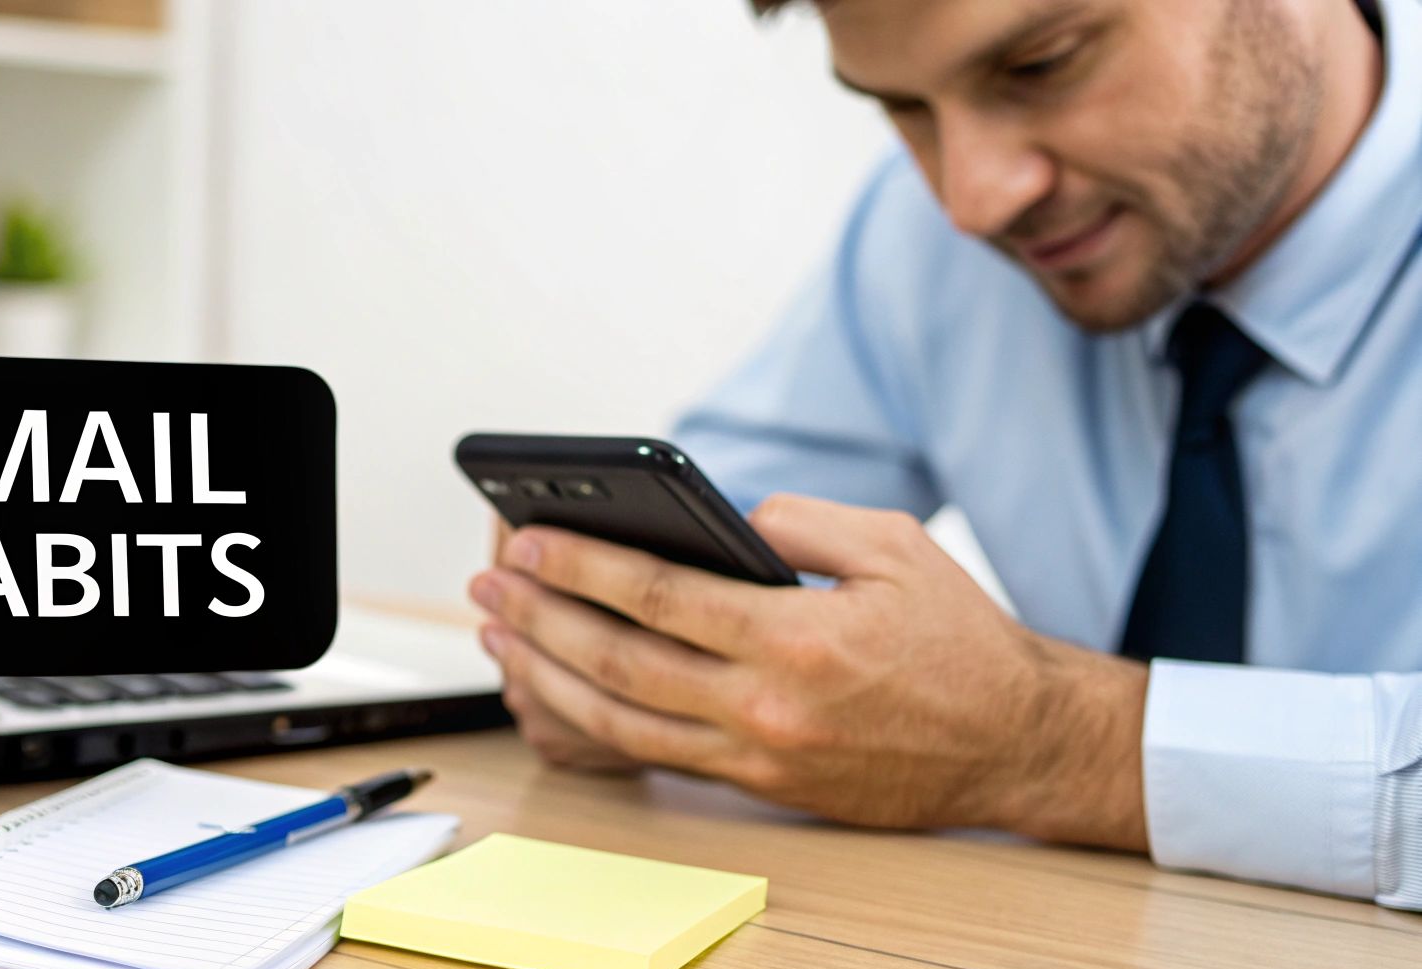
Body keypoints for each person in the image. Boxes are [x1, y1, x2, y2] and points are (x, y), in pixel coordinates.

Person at [467, 0, 1422, 910]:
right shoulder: (924, 235)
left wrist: (1063, 749)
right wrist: (617, 652)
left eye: (1042, 65)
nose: (973, 199)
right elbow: (730, 518)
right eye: (904, 107)